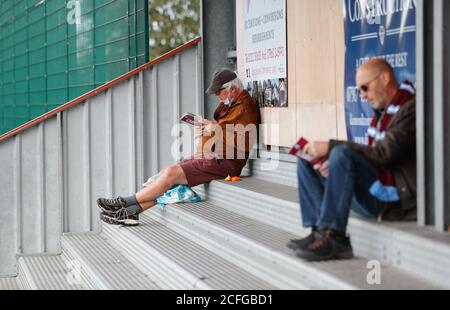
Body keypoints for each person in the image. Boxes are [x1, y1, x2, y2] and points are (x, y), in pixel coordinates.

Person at [288, 59, 416, 262]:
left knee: (340, 153)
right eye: (359, 91)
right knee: (307, 159)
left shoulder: (410, 109)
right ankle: (319, 231)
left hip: (391, 201)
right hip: (375, 190)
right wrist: (334, 168)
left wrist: (331, 147)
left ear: (384, 78)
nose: (362, 95)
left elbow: (384, 154)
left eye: (365, 88)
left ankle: (336, 238)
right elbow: (371, 156)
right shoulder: (382, 115)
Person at [97, 68, 260, 226]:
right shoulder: (232, 105)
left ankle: (123, 203)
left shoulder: (245, 107)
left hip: (225, 161)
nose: (218, 96)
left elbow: (243, 143)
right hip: (213, 156)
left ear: (231, 89)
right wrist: (207, 127)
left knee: (170, 174)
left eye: (219, 92)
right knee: (168, 177)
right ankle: (129, 212)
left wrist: (215, 129)